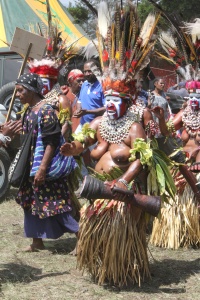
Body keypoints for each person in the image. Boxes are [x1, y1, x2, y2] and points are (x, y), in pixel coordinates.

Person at [60, 3, 165, 286]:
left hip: (123, 193)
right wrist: (74, 148)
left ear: (127, 100)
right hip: (98, 190)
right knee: (96, 231)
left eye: (115, 100)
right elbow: (83, 141)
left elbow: (143, 157)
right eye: (107, 100)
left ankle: (126, 271)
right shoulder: (98, 123)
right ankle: (104, 269)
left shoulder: (133, 125)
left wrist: (127, 180)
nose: (109, 105)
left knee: (122, 235)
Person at [14, 73, 79, 252]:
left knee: (56, 203)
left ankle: (81, 237)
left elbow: (52, 142)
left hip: (46, 166)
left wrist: (42, 168)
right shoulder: (29, 110)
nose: (18, 95)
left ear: (32, 90)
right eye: (17, 91)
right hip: (30, 166)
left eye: (20, 91)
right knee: (30, 201)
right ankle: (36, 241)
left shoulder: (47, 110)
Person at [150, 100, 200, 248]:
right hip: (183, 163)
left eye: (197, 96)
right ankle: (180, 234)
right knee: (174, 198)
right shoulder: (185, 114)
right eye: (191, 97)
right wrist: (160, 119)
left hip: (198, 165)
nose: (194, 100)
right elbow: (166, 132)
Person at [73, 59, 106, 130]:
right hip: (82, 125)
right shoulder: (84, 84)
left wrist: (88, 112)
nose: (87, 74)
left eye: (89, 71)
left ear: (97, 70)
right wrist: (79, 109)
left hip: (97, 127)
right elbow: (80, 101)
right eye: (85, 71)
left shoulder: (103, 86)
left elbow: (106, 108)